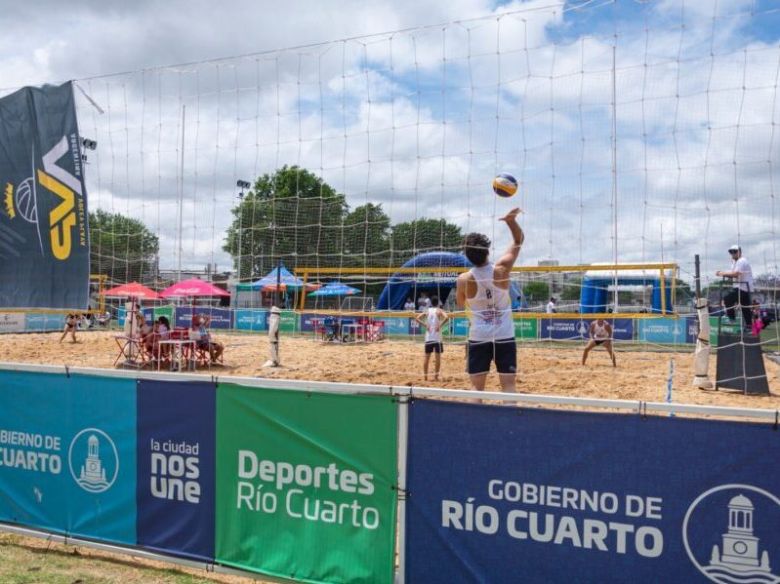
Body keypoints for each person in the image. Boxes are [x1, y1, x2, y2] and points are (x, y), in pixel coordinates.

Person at [456, 208, 524, 392]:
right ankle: (510, 419)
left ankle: (476, 419)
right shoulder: (501, 270)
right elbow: (518, 241)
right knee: (509, 386)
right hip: (504, 335)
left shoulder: (463, 279)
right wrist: (511, 221)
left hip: (479, 336)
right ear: (487, 250)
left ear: (468, 256)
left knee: (476, 388)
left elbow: (461, 304)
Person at [716, 244, 754, 331]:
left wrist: (722, 273)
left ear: (739, 252)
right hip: (742, 287)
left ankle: (732, 318)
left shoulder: (742, 261)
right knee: (745, 308)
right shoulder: (735, 262)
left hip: (743, 287)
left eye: (734, 251)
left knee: (727, 299)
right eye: (731, 252)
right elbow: (732, 274)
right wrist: (724, 273)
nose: (732, 254)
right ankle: (749, 327)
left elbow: (736, 274)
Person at [415, 295, 449, 381]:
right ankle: (436, 377)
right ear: (438, 303)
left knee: (427, 358)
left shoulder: (427, 310)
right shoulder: (439, 310)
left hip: (429, 338)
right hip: (437, 338)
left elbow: (417, 318)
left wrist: (425, 325)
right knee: (437, 359)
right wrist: (440, 325)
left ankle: (425, 377)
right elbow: (447, 317)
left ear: (431, 303)